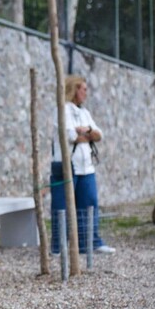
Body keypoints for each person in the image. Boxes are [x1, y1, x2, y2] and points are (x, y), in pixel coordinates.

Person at [50, 75, 116, 255]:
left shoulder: (85, 113)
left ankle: (90, 242)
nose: (86, 93)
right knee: (61, 207)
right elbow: (71, 136)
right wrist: (87, 134)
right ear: (74, 90)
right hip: (66, 166)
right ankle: (58, 246)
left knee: (89, 204)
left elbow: (99, 135)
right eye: (84, 89)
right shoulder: (63, 110)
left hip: (86, 167)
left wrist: (85, 131)